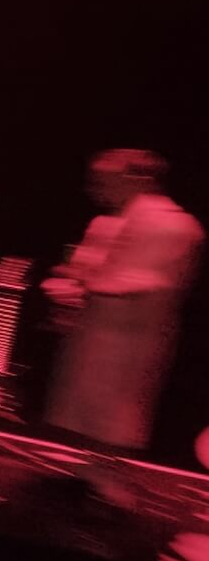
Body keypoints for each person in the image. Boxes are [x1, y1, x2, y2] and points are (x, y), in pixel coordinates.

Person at [42, 149, 203, 453]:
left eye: (105, 181)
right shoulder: (105, 224)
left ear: (137, 178)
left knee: (109, 419)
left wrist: (86, 284)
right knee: (77, 416)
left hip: (127, 340)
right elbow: (82, 270)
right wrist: (69, 282)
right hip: (91, 335)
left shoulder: (172, 224)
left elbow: (146, 281)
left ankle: (101, 475)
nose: (96, 190)